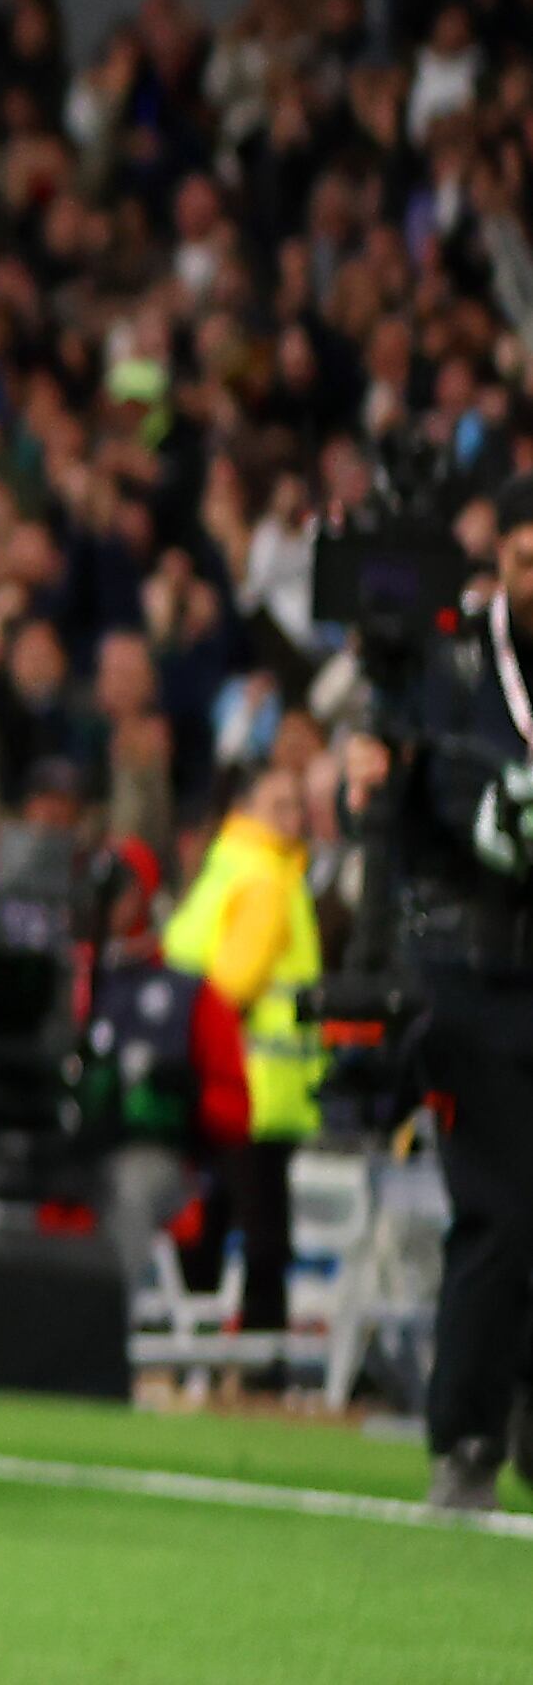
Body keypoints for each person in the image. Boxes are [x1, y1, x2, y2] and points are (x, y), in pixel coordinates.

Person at [362, 513, 533, 1511]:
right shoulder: (449, 664)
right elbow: (396, 791)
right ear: (498, 561)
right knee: (501, 1213)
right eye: (522, 557)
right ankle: (464, 1441)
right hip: (471, 977)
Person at [159, 768, 319, 1355]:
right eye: (279, 803)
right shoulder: (269, 879)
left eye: (298, 803)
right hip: (257, 1084)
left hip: (209, 1075)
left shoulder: (225, 865)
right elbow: (238, 980)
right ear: (249, 808)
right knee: (263, 1231)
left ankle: (193, 1345)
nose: (293, 816)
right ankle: (259, 1354)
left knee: (213, 1214)